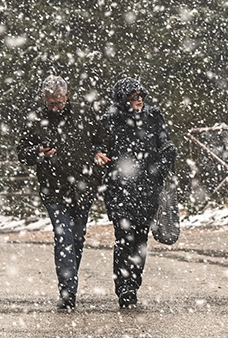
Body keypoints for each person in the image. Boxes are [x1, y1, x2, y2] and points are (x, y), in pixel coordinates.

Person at [17, 75, 107, 310]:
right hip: (54, 190)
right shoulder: (36, 119)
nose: (55, 108)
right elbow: (22, 153)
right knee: (63, 239)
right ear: (44, 100)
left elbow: (101, 140)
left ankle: (69, 284)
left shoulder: (85, 114)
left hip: (83, 188)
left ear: (67, 96)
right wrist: (38, 151)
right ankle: (68, 292)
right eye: (50, 103)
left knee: (77, 239)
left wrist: (98, 153)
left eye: (58, 102)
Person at [95, 76, 177, 308]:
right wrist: (99, 155)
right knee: (123, 238)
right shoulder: (110, 120)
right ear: (123, 99)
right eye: (134, 96)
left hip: (148, 189)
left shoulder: (153, 116)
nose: (139, 100)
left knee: (140, 239)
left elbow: (167, 146)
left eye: (141, 95)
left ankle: (134, 283)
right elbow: (98, 145)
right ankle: (124, 288)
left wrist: (160, 169)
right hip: (119, 190)